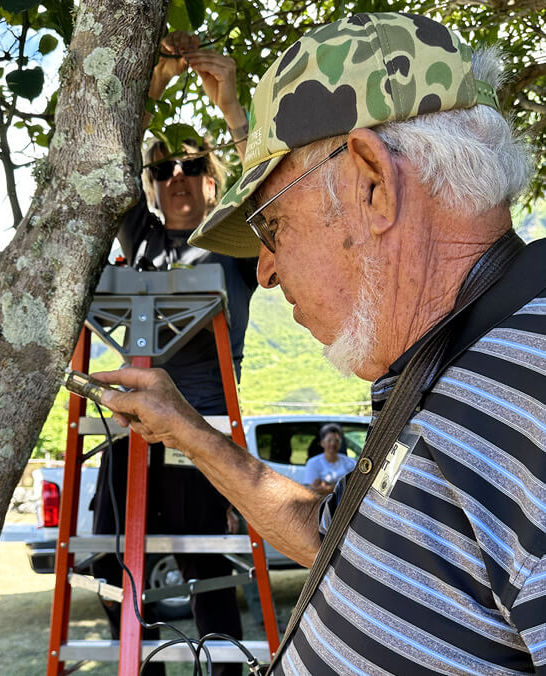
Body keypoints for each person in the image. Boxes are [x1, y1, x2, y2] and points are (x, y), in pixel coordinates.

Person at [91, 12, 546, 674]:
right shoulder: (442, 364)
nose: (266, 273)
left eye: (272, 226)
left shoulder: (529, 397)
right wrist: (189, 432)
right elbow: (334, 538)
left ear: (371, 180)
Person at [89, 31, 257, 676]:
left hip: (200, 424)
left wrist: (233, 112)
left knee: (204, 563)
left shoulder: (232, 239)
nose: (177, 178)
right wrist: (147, 90)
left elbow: (268, 192)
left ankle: (225, 670)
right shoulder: (141, 233)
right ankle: (146, 669)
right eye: (163, 170)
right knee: (109, 558)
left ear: (213, 182)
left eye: (192, 167)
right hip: (129, 427)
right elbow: (112, 169)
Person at [303, 423, 354, 496]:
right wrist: (343, 485)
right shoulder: (313, 463)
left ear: (340, 443)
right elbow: (312, 492)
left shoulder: (350, 462)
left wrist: (327, 487)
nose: (333, 444)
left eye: (336, 440)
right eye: (329, 440)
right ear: (322, 443)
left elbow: (354, 487)